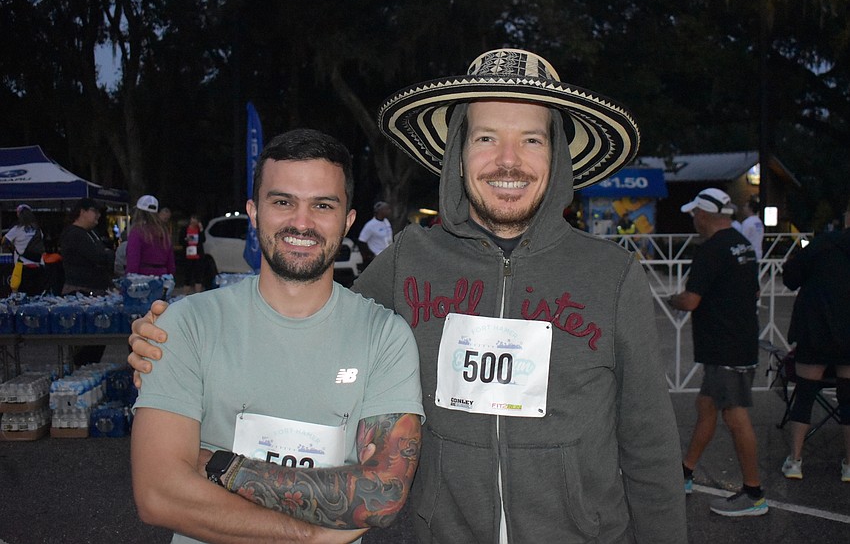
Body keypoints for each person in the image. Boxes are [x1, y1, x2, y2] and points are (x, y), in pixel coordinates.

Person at [130, 48, 686, 543]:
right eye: (487, 137)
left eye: (531, 139)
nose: (508, 160)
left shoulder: (612, 276)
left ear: (557, 155)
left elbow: (650, 449)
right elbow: (314, 326)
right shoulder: (408, 259)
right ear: (459, 154)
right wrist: (168, 350)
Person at [130, 129, 424, 544]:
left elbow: (380, 496)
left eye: (322, 205)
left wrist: (218, 465)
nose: (301, 223)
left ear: (347, 221)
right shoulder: (186, 325)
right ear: (253, 212)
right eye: (283, 202)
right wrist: (306, 534)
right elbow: (158, 494)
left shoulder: (385, 337)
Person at [668, 188, 767, 517]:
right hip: (739, 341)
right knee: (706, 406)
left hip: (726, 348)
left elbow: (691, 300)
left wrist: (672, 299)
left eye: (695, 213)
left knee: (735, 417)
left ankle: (753, 494)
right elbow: (753, 290)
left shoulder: (711, 250)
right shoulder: (742, 246)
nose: (693, 219)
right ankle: (684, 472)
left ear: (706, 214)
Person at [780, 199, 850, 482]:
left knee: (805, 395)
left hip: (815, 330)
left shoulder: (822, 245)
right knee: (847, 400)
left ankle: (795, 460)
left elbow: (791, 278)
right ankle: (848, 465)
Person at [59, 198, 115, 366]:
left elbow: (103, 256)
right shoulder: (74, 234)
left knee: (98, 341)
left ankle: (88, 372)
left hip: (97, 292)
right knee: (86, 343)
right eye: (94, 211)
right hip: (81, 294)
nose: (98, 215)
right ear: (82, 211)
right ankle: (80, 373)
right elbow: (99, 256)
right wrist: (106, 255)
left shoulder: (91, 233)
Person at [126, 195, 176, 277]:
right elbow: (171, 263)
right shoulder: (164, 232)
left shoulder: (137, 231)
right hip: (162, 277)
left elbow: (133, 261)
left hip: (143, 278)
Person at [1, 204, 45, 295]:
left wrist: (12, 247)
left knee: (20, 298)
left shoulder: (17, 229)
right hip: (38, 267)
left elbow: (4, 241)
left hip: (22, 268)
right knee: (37, 297)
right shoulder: (38, 230)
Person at [357, 201, 393, 266]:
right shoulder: (370, 225)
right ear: (380, 211)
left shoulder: (386, 222)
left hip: (388, 256)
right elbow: (362, 241)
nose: (389, 211)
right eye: (387, 209)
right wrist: (369, 255)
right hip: (377, 258)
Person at [181, 214, 205, 294]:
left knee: (198, 276)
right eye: (193, 218)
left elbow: (203, 240)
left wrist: (201, 229)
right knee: (187, 276)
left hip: (197, 256)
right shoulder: (185, 229)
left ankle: (198, 293)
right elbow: (181, 240)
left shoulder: (199, 230)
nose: (194, 221)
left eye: (196, 219)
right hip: (188, 255)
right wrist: (187, 239)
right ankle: (185, 294)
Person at [740, 196, 765, 261]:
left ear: (750, 209)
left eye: (745, 206)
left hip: (748, 254)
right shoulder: (759, 221)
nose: (743, 208)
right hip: (758, 251)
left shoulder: (747, 222)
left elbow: (743, 238)